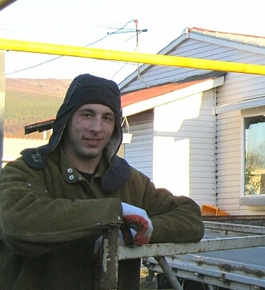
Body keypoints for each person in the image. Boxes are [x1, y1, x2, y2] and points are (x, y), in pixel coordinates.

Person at [0, 74, 205, 290]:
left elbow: (190, 217)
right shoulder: (27, 171)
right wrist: (114, 212)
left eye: (107, 118)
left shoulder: (128, 180)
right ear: (67, 119)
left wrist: (133, 234)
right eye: (87, 115)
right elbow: (17, 223)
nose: (96, 127)